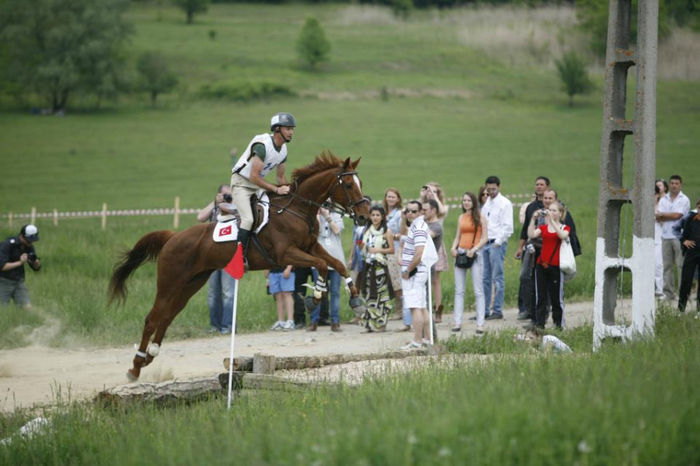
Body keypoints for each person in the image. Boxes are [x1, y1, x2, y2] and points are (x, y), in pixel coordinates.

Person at [230, 113, 295, 262]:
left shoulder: (283, 149)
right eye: (288, 128)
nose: (291, 132)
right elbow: (253, 176)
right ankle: (238, 256)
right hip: (242, 183)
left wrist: (290, 193)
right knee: (247, 220)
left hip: (257, 185)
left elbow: (280, 177)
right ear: (277, 129)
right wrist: (277, 189)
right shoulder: (262, 145)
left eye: (292, 129)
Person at [197, 184, 237, 334]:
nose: (227, 197)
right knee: (213, 293)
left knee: (228, 293)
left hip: (229, 256)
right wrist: (215, 202)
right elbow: (200, 217)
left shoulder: (236, 208)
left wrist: (232, 201)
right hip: (212, 257)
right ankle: (215, 326)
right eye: (224, 195)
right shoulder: (214, 207)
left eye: (229, 195)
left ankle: (228, 327)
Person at [527, 201, 570, 329]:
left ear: (560, 213)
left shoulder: (564, 228)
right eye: (549, 210)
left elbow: (562, 236)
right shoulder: (543, 228)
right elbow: (531, 234)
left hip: (556, 266)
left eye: (554, 210)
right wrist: (533, 219)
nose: (551, 212)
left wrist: (553, 222)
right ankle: (540, 324)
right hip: (542, 265)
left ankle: (558, 324)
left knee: (556, 298)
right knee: (541, 296)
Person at [450, 192, 488, 334]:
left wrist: (474, 249)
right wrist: (453, 248)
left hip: (475, 254)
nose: (466, 203)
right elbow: (457, 236)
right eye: (464, 200)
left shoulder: (480, 217)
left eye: (468, 200)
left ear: (473, 202)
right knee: (459, 290)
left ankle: (480, 324)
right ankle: (457, 322)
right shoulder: (461, 217)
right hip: (461, 253)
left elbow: (485, 238)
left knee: (478, 290)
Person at [514, 176, 550, 320]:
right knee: (525, 276)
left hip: (547, 247)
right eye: (537, 184)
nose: (539, 187)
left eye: (542, 184)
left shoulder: (553, 207)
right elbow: (524, 230)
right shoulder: (531, 207)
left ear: (547, 186)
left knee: (543, 279)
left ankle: (545, 309)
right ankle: (528, 309)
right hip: (531, 246)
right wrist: (519, 247)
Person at [357, 205, 395, 332]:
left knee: (382, 297)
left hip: (380, 269)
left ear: (382, 217)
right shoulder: (367, 231)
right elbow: (363, 247)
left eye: (377, 215)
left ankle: (380, 324)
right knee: (369, 295)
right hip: (368, 267)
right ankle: (368, 324)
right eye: (373, 215)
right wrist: (361, 245)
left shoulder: (387, 232)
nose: (375, 218)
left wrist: (377, 250)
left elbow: (391, 249)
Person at [307, 206, 345, 332]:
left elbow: (337, 230)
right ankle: (314, 321)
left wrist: (328, 217)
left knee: (335, 292)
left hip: (335, 259)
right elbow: (313, 233)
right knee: (318, 291)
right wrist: (317, 215)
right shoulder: (313, 217)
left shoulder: (336, 216)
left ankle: (335, 321)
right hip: (319, 260)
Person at [399, 200, 431, 350]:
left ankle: (417, 341)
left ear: (420, 212)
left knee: (415, 307)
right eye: (408, 211)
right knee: (422, 306)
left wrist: (407, 270)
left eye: (413, 211)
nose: (410, 214)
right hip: (419, 272)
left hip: (414, 273)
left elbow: (419, 253)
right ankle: (426, 338)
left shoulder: (418, 227)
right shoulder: (417, 225)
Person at [481, 176, 513, 320]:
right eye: (489, 189)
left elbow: (507, 227)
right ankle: (485, 310)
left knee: (497, 277)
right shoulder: (487, 203)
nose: (491, 191)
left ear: (499, 187)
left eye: (494, 189)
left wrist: (498, 242)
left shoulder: (505, 203)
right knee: (485, 278)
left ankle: (497, 309)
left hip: (496, 244)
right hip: (485, 243)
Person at [656, 175, 691, 302]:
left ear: (680, 185)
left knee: (681, 265)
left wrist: (664, 216)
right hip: (665, 236)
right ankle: (668, 293)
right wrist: (667, 216)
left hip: (679, 236)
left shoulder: (684, 199)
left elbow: (678, 215)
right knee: (667, 266)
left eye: (676, 183)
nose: (674, 185)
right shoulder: (664, 199)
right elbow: (657, 216)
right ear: (669, 185)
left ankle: (683, 292)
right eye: (672, 183)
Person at [419, 183, 448, 322]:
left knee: (436, 280)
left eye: (434, 191)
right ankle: (427, 308)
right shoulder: (425, 207)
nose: (430, 193)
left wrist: (434, 195)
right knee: (426, 280)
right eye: (428, 190)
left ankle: (438, 309)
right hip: (425, 243)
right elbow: (417, 212)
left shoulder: (440, 206)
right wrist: (422, 196)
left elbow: (441, 210)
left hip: (436, 243)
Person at [0, 224, 41, 309]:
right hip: (3, 281)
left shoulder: (29, 246)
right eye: (29, 240)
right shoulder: (7, 245)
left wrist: (36, 264)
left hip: (18, 282)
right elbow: (2, 266)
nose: (31, 243)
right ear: (21, 236)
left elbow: (36, 268)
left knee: (27, 308)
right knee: (2, 309)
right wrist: (20, 262)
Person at [383, 188, 403, 317]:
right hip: (382, 250)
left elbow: (402, 234)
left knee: (396, 281)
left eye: (393, 197)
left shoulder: (399, 214)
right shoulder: (382, 213)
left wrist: (390, 236)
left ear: (398, 199)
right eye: (388, 196)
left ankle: (400, 309)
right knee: (386, 282)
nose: (390, 199)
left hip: (394, 250)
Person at [678, 199, 700, 313]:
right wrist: (684, 241)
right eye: (699, 207)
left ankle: (699, 311)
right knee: (686, 280)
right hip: (691, 253)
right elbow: (683, 234)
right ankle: (681, 309)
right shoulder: (690, 220)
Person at [267, 265, 296, 331]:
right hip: (273, 271)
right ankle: (281, 321)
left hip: (286, 270)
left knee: (287, 294)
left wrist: (289, 268)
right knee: (278, 296)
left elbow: (291, 255)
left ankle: (290, 320)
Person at [654, 179, 669, 297]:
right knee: (651, 263)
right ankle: (652, 287)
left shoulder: (664, 203)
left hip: (661, 236)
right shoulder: (651, 203)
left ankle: (661, 289)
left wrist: (660, 217)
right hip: (651, 235)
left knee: (659, 263)